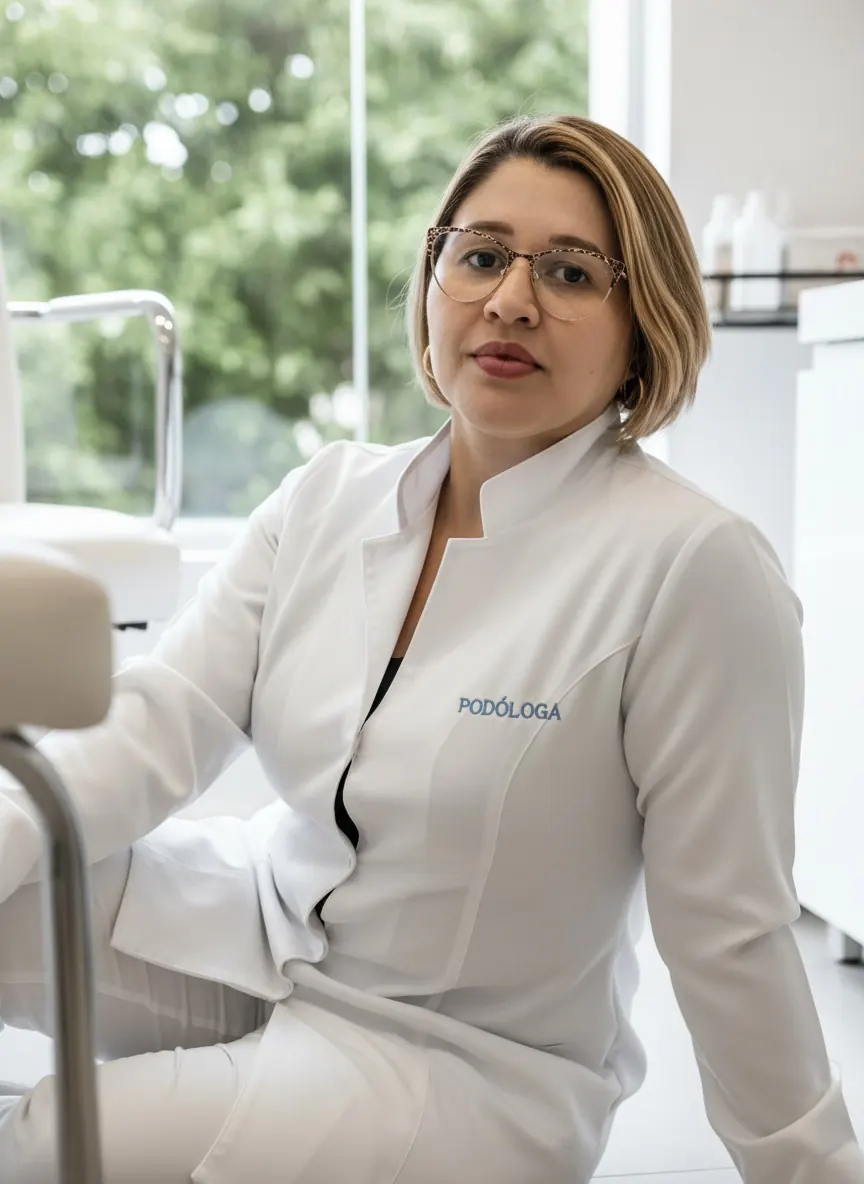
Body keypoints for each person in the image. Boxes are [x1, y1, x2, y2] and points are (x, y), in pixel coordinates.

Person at [0, 113, 862, 1184]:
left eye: (573, 272)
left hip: (458, 1060)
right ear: (434, 277)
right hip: (263, 934)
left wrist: (815, 1168)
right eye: (483, 255)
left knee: (46, 1141)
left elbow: (732, 935)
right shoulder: (328, 496)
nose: (511, 298)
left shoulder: (694, 568)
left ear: (644, 324)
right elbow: (155, 720)